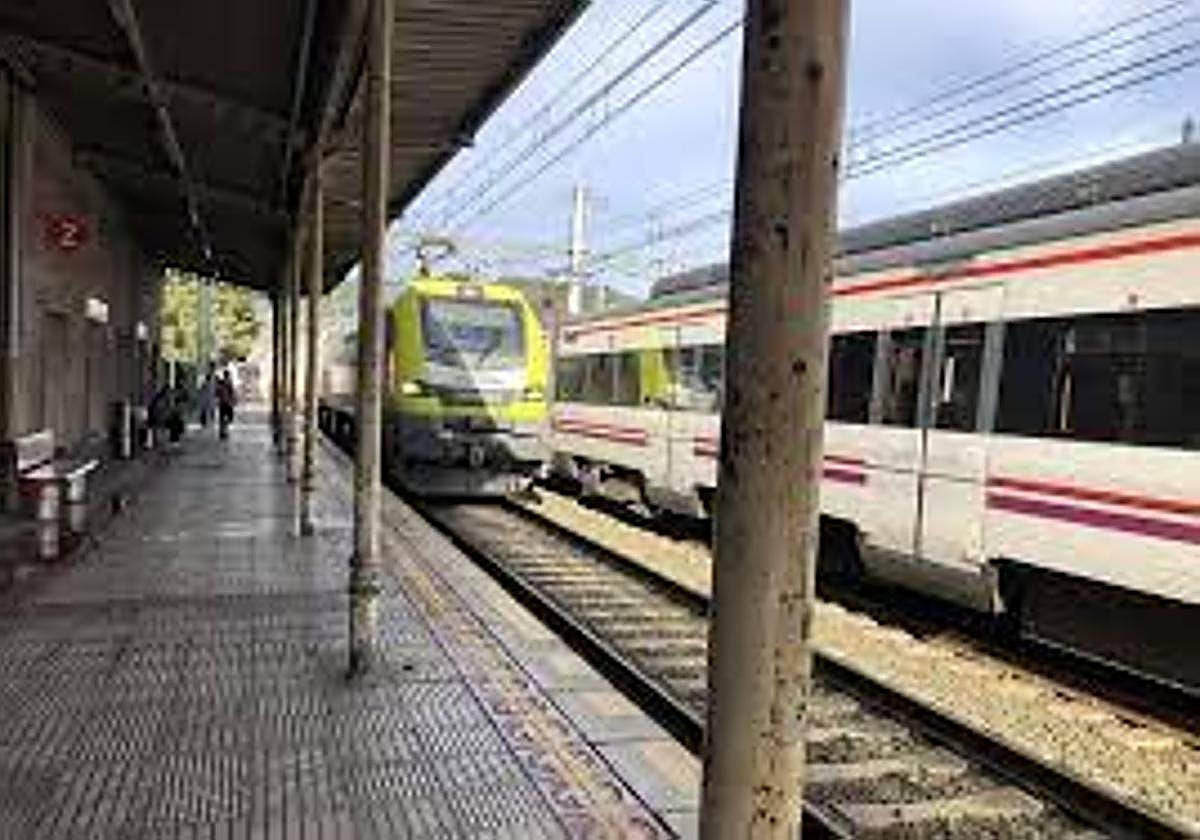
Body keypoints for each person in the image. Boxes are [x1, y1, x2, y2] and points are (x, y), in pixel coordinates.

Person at [216, 371, 237, 440]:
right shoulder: (228, 383)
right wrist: (233, 401)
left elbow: (217, 392)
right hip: (227, 403)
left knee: (222, 418)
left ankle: (222, 432)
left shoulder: (221, 382)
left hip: (222, 403)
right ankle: (224, 431)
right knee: (228, 418)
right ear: (228, 375)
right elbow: (232, 392)